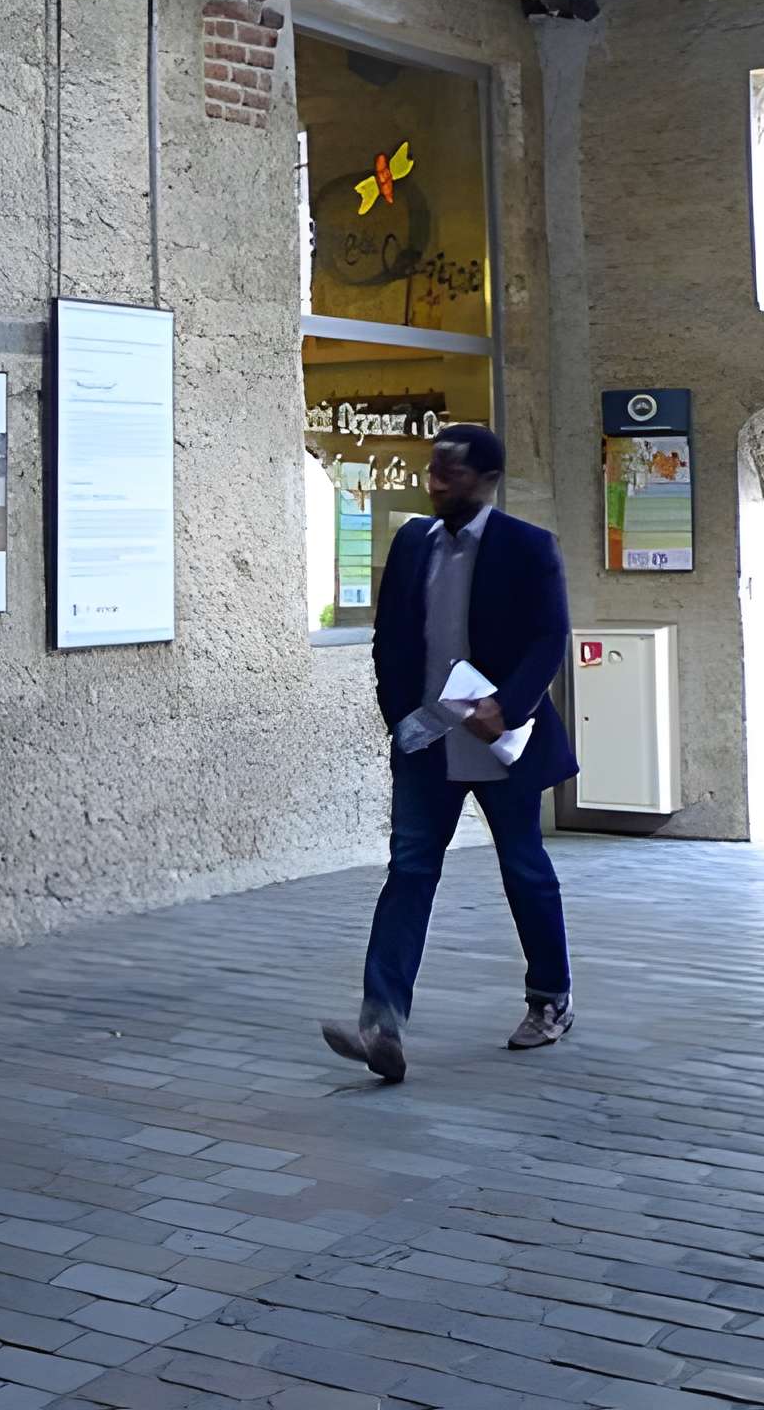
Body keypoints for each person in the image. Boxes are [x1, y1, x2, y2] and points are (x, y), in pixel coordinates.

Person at [322, 422, 580, 1082]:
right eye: (432, 470)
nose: (436, 482)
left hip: (500, 742)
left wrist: (508, 707)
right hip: (426, 742)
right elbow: (389, 637)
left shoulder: (527, 546)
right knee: (409, 869)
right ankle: (381, 1023)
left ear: (487, 480)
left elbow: (549, 636)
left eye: (452, 472)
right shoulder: (414, 542)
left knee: (523, 866)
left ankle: (549, 999)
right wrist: (398, 717)